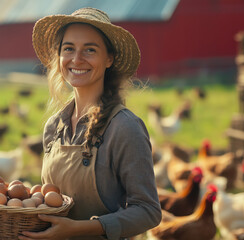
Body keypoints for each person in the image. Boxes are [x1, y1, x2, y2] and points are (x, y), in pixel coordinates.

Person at [20, 7, 161, 240]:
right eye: (69, 49)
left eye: (90, 49)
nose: (77, 59)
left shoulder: (125, 128)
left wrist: (81, 229)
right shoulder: (54, 128)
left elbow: (148, 211)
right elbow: (51, 200)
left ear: (109, 59)